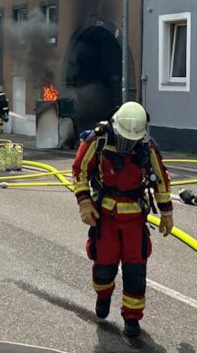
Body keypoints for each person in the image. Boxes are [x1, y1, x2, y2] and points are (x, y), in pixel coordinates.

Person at [72, 101, 173, 338]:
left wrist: (167, 212)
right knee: (103, 270)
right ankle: (103, 296)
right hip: (105, 218)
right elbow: (80, 170)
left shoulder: (146, 147)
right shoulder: (99, 139)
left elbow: (160, 179)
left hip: (135, 220)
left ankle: (132, 319)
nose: (128, 144)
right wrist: (85, 203)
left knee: (136, 274)